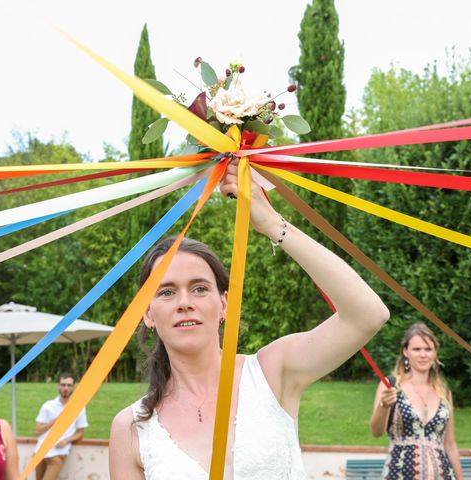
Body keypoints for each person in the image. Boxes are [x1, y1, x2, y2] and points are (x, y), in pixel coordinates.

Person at [108, 160, 391, 479]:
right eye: (167, 292)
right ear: (147, 313)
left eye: (200, 288)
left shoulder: (272, 372)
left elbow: (368, 314)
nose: (185, 303)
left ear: (223, 304)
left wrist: (273, 224)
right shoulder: (131, 427)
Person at [370, 323, 463, 480]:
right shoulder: (391, 385)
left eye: (428, 349)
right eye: (417, 349)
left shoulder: (444, 392)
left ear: (435, 353)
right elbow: (376, 432)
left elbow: (450, 444)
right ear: (406, 352)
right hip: (398, 474)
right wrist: (384, 406)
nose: (423, 355)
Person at [34, 372, 88, 480]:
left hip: (58, 454)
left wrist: (66, 440)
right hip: (40, 452)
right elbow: (37, 431)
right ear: (58, 386)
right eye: (63, 385)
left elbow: (80, 433)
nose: (66, 388)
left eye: (69, 385)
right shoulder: (48, 405)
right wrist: (54, 422)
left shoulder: (79, 407)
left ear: (73, 387)